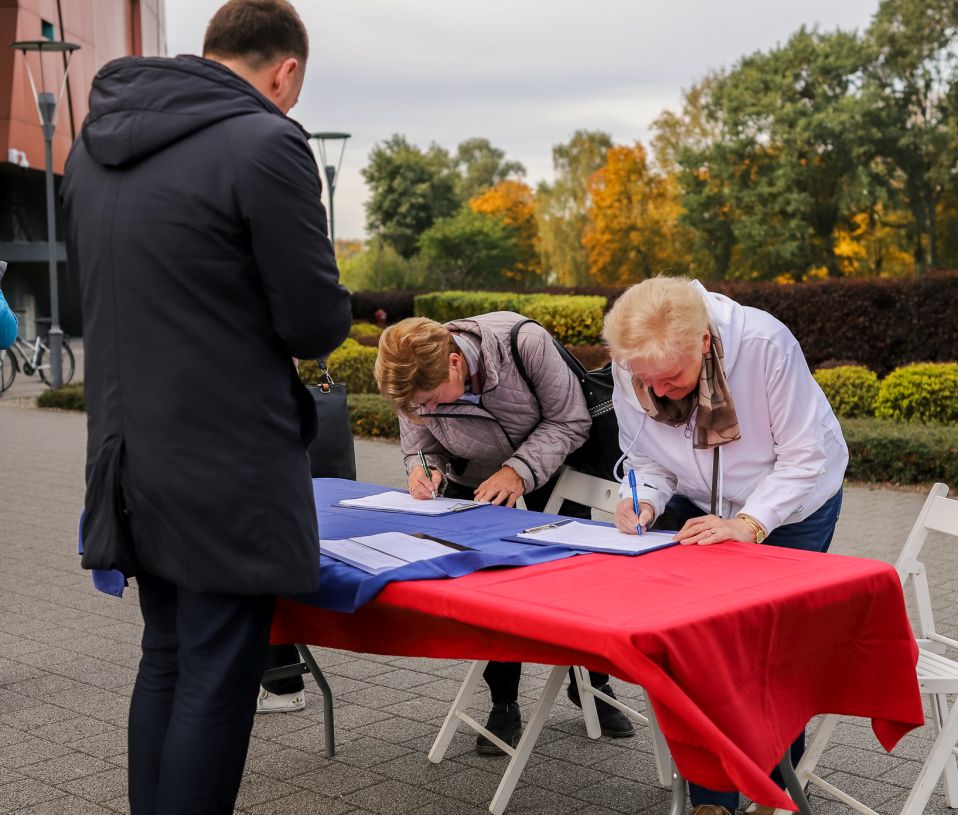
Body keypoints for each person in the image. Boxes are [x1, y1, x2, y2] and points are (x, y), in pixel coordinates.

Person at [61, 2, 351, 812]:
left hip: (126, 457)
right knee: (219, 675)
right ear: (285, 71)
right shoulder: (266, 141)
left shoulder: (92, 149)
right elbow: (313, 321)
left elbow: (94, 305)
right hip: (228, 466)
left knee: (166, 656)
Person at [602, 276, 848, 815]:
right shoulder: (636, 361)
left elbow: (805, 457)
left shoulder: (764, 344)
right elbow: (645, 455)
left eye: (670, 379)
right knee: (698, 644)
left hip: (792, 501)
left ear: (706, 344)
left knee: (776, 651)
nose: (657, 392)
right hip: (698, 500)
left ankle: (775, 793)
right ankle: (713, 799)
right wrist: (641, 499)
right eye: (646, 381)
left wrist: (751, 523)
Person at [375, 313, 636, 752]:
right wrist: (423, 470)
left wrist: (518, 471)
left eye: (435, 400)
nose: (430, 411)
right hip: (473, 489)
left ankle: (590, 684)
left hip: (548, 475)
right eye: (420, 406)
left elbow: (570, 420)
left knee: (570, 589)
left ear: (455, 363)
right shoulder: (416, 388)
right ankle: (503, 702)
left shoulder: (523, 343)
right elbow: (420, 443)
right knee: (495, 596)